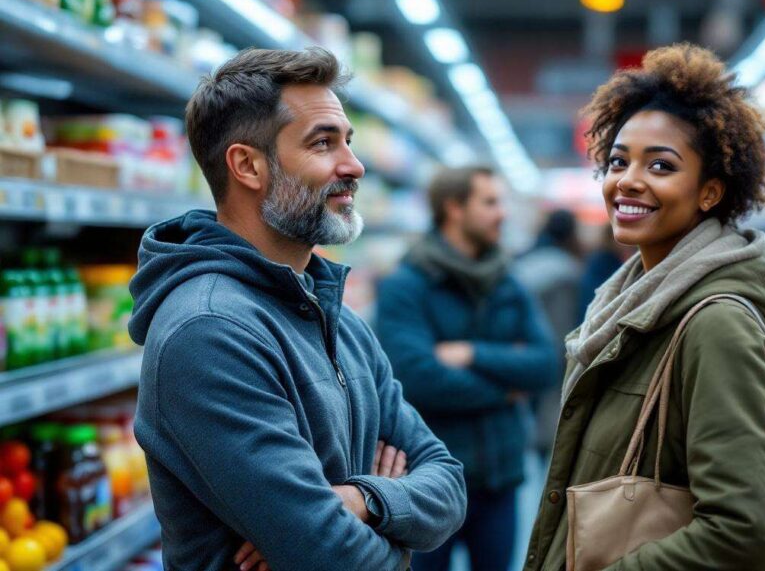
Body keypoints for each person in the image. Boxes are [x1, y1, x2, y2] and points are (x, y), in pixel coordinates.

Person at [127, 47, 466, 571]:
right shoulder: (209, 331)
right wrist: (398, 532)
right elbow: (332, 555)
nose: (354, 165)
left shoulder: (339, 319)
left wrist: (364, 500)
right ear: (248, 165)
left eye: (348, 140)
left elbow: (448, 483)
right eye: (323, 143)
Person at [524, 43, 765, 570]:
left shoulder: (716, 325)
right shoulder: (622, 303)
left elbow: (743, 531)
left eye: (661, 165)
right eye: (618, 161)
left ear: (710, 192)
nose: (628, 179)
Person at [376, 166, 559, 571]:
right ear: (454, 208)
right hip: (429, 484)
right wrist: (506, 388)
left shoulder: (506, 280)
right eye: (490, 202)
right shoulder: (407, 285)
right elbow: (418, 378)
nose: (502, 213)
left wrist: (472, 354)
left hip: (500, 477)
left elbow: (546, 364)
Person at [511, 208, 582, 456]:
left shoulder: (523, 262)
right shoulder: (566, 269)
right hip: (550, 351)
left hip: (519, 350)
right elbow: (563, 321)